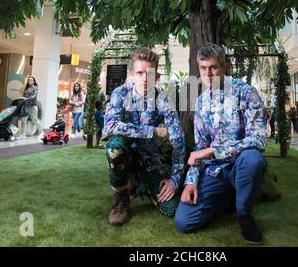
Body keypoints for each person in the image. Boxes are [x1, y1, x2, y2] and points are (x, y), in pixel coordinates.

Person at [174, 43, 267, 245]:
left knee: (253, 159)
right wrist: (191, 181)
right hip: (214, 171)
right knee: (184, 222)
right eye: (203, 68)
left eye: (214, 67)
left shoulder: (246, 92)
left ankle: (244, 214)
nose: (208, 74)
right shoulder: (200, 102)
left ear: (225, 67)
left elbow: (258, 139)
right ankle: (228, 198)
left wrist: (213, 150)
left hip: (240, 165)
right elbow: (199, 149)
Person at [103, 48, 185, 226]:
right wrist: (152, 131)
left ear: (157, 76)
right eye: (140, 73)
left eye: (150, 73)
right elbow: (109, 126)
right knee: (114, 146)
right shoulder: (120, 93)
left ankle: (142, 183)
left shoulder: (163, 100)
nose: (145, 78)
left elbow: (178, 140)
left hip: (149, 159)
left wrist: (175, 180)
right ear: (132, 74)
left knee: (171, 209)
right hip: (125, 153)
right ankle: (121, 197)